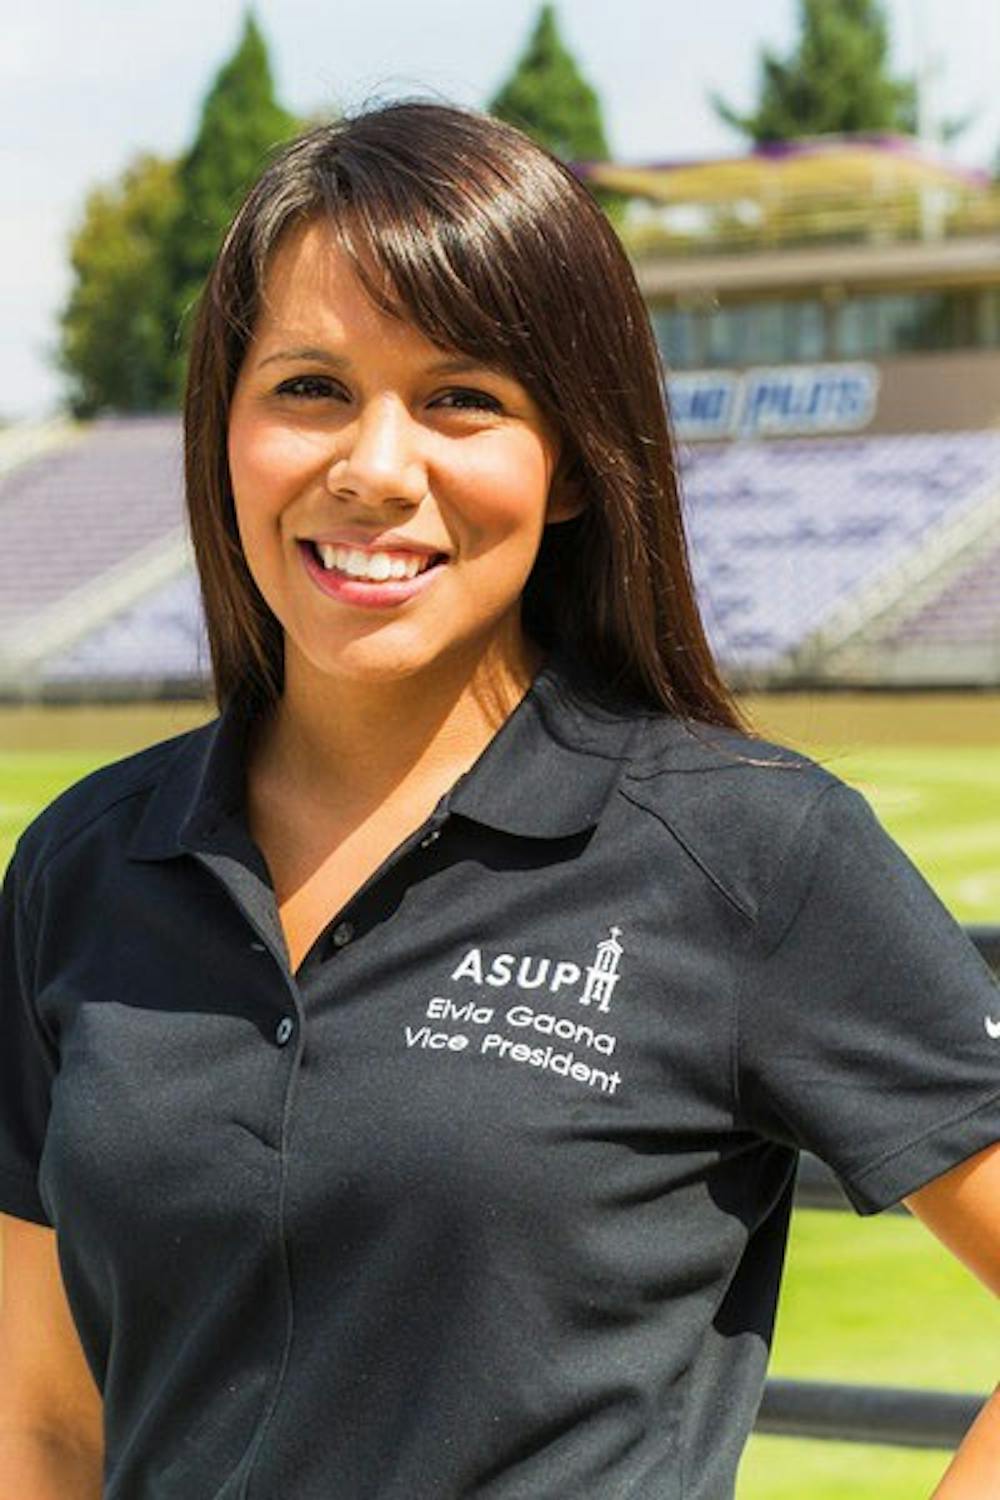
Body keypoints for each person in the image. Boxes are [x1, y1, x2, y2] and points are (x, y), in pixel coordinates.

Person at [0, 99, 997, 1500]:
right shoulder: (82, 868)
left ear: (572, 462)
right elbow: (45, 1426)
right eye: (310, 388)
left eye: (461, 398)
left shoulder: (749, 854)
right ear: (223, 427)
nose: (373, 468)